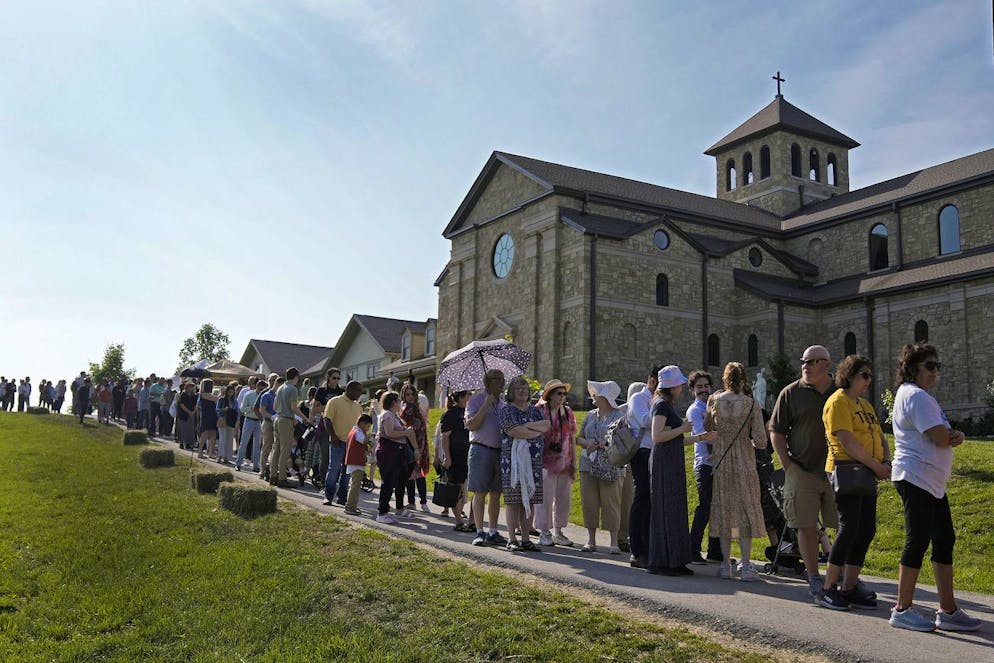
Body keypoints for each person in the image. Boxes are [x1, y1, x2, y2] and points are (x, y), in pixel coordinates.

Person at [888, 343, 982, 632]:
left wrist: (951, 435)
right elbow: (941, 436)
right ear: (912, 367)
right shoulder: (915, 396)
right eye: (930, 366)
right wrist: (954, 435)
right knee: (918, 540)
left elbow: (943, 434)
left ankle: (948, 610)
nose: (935, 372)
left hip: (929, 482)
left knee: (944, 538)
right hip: (916, 476)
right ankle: (902, 610)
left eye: (937, 366)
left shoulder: (920, 396)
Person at [814, 355, 890, 609]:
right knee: (849, 528)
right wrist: (876, 465)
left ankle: (849, 586)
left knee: (866, 529)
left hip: (867, 472)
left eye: (870, 376)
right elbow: (847, 440)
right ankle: (827, 588)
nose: (868, 381)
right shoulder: (838, 402)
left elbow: (879, 435)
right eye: (864, 375)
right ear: (849, 376)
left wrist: (886, 460)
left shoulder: (865, 406)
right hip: (846, 471)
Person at [769, 345, 839, 599]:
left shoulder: (840, 392)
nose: (805, 366)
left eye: (811, 362)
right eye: (803, 362)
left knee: (844, 526)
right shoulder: (791, 392)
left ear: (826, 365)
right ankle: (814, 577)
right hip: (801, 471)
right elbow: (776, 430)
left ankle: (842, 576)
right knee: (806, 526)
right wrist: (787, 464)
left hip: (836, 470)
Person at [704, 362, 767, 581]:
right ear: (743, 381)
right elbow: (760, 441)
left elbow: (707, 427)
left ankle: (724, 565)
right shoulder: (751, 404)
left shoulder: (714, 400)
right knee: (744, 508)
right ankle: (747, 565)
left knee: (724, 508)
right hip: (744, 461)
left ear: (725, 379)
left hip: (722, 457)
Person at [647, 366, 695, 576]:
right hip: (665, 463)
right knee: (667, 509)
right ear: (672, 385)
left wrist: (700, 437)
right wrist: (683, 428)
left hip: (671, 461)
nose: (682, 387)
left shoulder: (665, 405)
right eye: (680, 384)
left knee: (674, 508)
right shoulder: (661, 405)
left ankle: (675, 560)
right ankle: (665, 561)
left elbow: (674, 438)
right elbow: (657, 436)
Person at [497, 375, 551, 553]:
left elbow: (546, 425)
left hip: (534, 462)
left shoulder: (535, 410)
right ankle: (512, 539)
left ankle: (526, 539)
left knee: (531, 499)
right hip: (512, 463)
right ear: (510, 392)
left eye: (525, 389)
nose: (522, 392)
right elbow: (514, 430)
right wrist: (533, 430)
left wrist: (526, 428)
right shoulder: (506, 410)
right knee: (514, 501)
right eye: (518, 389)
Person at [577, 380, 626, 553]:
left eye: (596, 393)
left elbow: (621, 441)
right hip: (587, 463)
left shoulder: (619, 417)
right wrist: (587, 442)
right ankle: (591, 541)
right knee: (589, 502)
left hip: (610, 465)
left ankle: (613, 542)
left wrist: (600, 443)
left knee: (611, 502)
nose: (593, 395)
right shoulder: (590, 415)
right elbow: (579, 438)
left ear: (604, 397)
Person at [466, 370, 508, 547]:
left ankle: (492, 531)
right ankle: (479, 531)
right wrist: (485, 404)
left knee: (496, 493)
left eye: (502, 379)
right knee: (480, 492)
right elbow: (471, 425)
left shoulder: (503, 404)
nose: (501, 382)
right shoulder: (475, 400)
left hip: (500, 452)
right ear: (486, 382)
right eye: (496, 379)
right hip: (481, 449)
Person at [685, 370, 722, 564]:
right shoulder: (695, 410)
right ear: (692, 390)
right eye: (699, 387)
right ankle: (692, 549)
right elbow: (704, 434)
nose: (703, 390)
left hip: (719, 463)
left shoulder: (714, 407)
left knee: (717, 508)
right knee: (705, 507)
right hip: (705, 464)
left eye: (706, 386)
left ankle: (715, 550)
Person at [626, 365, 661, 569]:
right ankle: (637, 550)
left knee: (649, 500)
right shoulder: (639, 398)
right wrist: (663, 417)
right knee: (642, 498)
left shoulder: (657, 400)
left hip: (654, 451)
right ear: (651, 380)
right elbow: (647, 421)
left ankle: (648, 546)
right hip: (641, 451)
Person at [535, 379, 576, 548]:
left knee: (563, 499)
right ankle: (544, 531)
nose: (562, 396)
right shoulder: (539, 411)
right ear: (550, 395)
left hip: (564, 463)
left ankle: (558, 532)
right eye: (559, 393)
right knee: (544, 498)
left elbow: (572, 438)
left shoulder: (567, 412)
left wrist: (574, 462)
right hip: (545, 462)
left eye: (564, 393)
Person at [374, 391, 416, 524]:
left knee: (397, 481)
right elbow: (390, 432)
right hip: (389, 451)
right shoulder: (387, 414)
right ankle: (382, 513)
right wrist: (405, 432)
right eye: (398, 401)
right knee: (388, 481)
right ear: (393, 402)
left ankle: (390, 510)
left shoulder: (394, 415)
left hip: (397, 451)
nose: (400, 403)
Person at [323, 380, 364, 505]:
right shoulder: (335, 401)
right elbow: (327, 419)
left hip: (352, 444)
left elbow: (360, 426)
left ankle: (342, 497)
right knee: (333, 469)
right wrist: (333, 436)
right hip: (337, 441)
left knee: (347, 473)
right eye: (358, 391)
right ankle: (328, 496)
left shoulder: (358, 406)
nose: (359, 394)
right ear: (350, 389)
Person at [439, 390, 473, 532]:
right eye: (468, 396)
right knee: (456, 487)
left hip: (469, 453)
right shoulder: (451, 414)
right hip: (456, 454)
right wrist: (447, 456)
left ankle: (471, 522)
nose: (470, 398)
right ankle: (459, 521)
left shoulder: (470, 412)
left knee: (469, 488)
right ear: (460, 397)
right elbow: (445, 437)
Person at [271, 368, 308, 487]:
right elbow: (294, 407)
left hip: (277, 419)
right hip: (286, 420)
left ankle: (273, 476)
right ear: (296, 377)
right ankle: (282, 478)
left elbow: (275, 406)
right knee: (285, 450)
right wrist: (304, 418)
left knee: (276, 448)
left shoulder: (280, 388)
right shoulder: (293, 389)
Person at [400, 383, 431, 513]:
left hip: (421, 445)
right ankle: (414, 502)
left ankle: (421, 502)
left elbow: (423, 429)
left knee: (418, 475)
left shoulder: (417, 409)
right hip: (411, 446)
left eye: (413, 394)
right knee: (413, 475)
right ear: (403, 395)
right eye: (407, 394)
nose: (411, 396)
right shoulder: (406, 410)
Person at [343, 414, 373, 516]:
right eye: (368, 426)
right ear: (362, 423)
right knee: (355, 486)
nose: (368, 428)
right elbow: (363, 441)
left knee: (355, 485)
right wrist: (370, 435)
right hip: (356, 462)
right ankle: (350, 506)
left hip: (354, 461)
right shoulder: (358, 433)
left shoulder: (354, 431)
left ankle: (352, 505)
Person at [236, 379, 266, 472]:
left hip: (259, 421)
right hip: (249, 420)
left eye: (262, 389)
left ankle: (256, 466)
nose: (261, 391)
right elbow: (242, 408)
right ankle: (238, 464)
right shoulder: (249, 394)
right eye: (260, 389)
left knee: (257, 445)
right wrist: (251, 408)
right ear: (256, 386)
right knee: (244, 443)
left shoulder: (264, 396)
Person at [257, 374, 280, 480]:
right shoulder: (266, 395)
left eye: (277, 380)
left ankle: (272, 470)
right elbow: (261, 410)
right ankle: (262, 470)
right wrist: (271, 416)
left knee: (276, 448)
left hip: (279, 423)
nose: (276, 382)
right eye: (274, 380)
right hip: (268, 422)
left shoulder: (280, 395)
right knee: (267, 446)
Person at [215, 383, 240, 464]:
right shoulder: (221, 400)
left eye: (232, 392)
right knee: (222, 439)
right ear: (226, 392)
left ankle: (226, 457)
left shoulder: (235, 401)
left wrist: (237, 422)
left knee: (229, 440)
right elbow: (217, 410)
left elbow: (237, 412)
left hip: (231, 421)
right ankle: (219, 456)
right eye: (229, 392)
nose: (231, 394)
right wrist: (224, 410)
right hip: (223, 420)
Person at [196, 379, 219, 458]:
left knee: (213, 434)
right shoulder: (203, 394)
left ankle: (210, 452)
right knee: (205, 433)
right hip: (207, 415)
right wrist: (221, 393)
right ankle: (200, 452)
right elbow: (216, 399)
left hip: (213, 414)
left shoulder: (208, 394)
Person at [176, 382, 198, 449]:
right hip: (183, 415)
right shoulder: (183, 395)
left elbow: (196, 405)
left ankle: (189, 443)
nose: (192, 388)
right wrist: (189, 412)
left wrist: (193, 412)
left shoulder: (194, 396)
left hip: (191, 414)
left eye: (193, 387)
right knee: (183, 429)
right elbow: (181, 405)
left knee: (190, 430)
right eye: (191, 387)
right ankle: (182, 442)